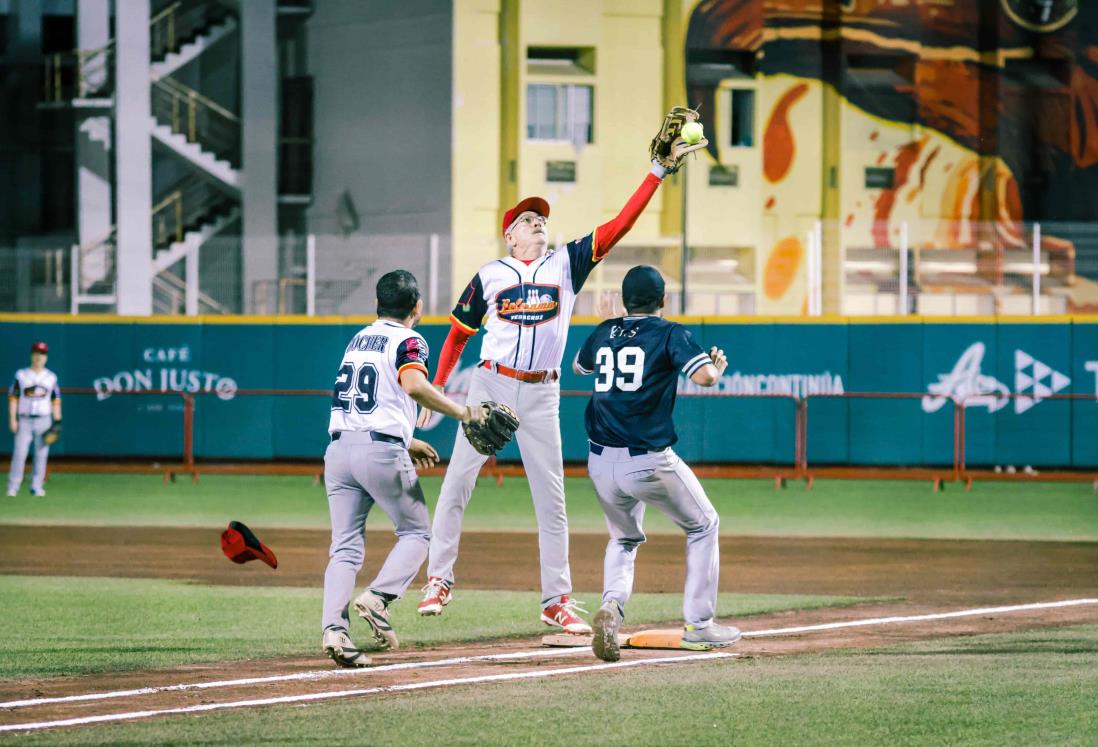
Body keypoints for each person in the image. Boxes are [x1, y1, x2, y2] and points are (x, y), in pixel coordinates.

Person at [414, 120, 707, 633]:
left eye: (541, 218)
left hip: (541, 390)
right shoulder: (490, 275)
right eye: (528, 220)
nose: (538, 223)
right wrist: (436, 391)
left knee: (551, 497)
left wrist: (657, 170)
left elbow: (620, 226)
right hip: (490, 385)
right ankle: (438, 579)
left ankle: (556, 600)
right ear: (510, 234)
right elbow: (458, 336)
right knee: (458, 482)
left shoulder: (567, 264)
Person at [321, 270, 487, 668]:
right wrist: (464, 411)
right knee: (416, 533)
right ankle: (377, 598)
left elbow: (367, 398)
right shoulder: (410, 339)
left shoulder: (359, 337)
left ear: (377, 305)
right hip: (378, 453)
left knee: (344, 546)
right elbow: (412, 385)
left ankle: (334, 630)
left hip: (340, 450)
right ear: (417, 307)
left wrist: (405, 438)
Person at [572, 265, 739, 661]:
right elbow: (705, 379)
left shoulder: (604, 330)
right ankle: (700, 625)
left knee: (624, 538)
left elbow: (581, 367)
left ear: (622, 299)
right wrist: (716, 366)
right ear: (663, 300)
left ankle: (611, 606)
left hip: (599, 461)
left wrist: (607, 327)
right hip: (646, 460)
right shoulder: (670, 332)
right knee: (704, 525)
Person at [7, 341, 61, 498]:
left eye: (42, 353)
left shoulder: (51, 377)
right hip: (24, 420)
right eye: (37, 353)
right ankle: (13, 486)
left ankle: (36, 486)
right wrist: (12, 419)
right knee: (20, 453)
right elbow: (13, 398)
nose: (39, 356)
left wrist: (58, 422)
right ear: (32, 355)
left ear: (46, 357)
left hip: (44, 420)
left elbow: (56, 400)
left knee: (41, 454)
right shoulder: (21, 375)